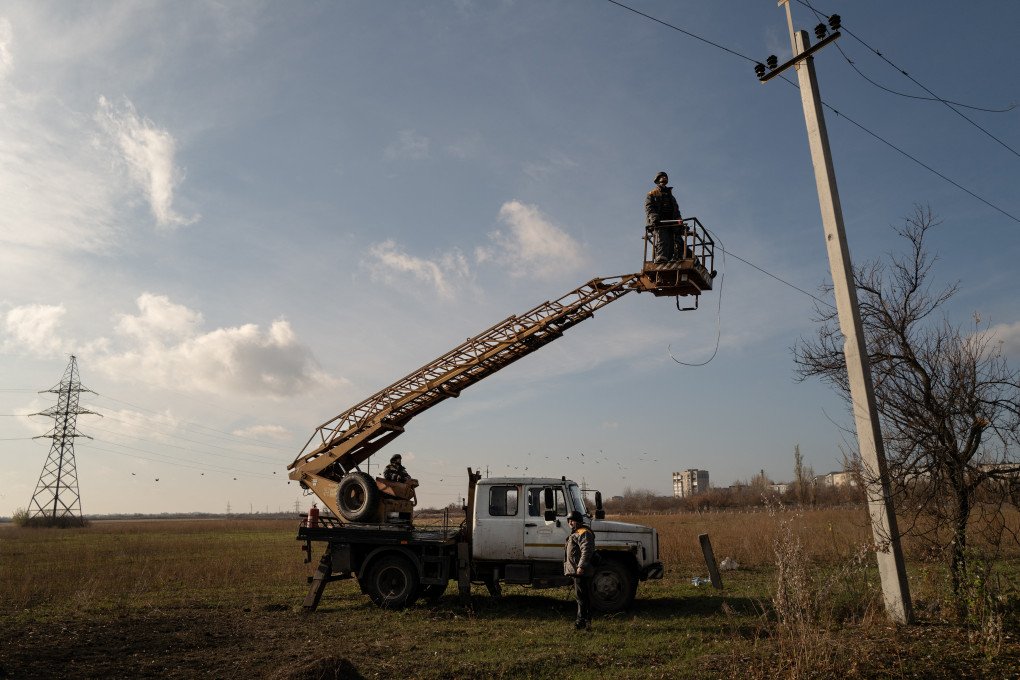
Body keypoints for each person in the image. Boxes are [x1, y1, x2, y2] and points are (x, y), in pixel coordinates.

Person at [564, 509, 596, 630]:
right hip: (577, 571)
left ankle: (581, 621)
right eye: (569, 521)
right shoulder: (576, 532)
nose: (570, 523)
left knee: (582, 597)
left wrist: (581, 566)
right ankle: (586, 621)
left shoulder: (583, 532)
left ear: (578, 521)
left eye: (572, 521)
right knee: (582, 596)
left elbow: (586, 550)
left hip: (581, 571)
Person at [644, 171, 682, 264]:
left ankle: (691, 260)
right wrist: (654, 217)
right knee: (663, 239)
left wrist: (680, 222)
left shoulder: (671, 197)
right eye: (662, 176)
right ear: (657, 180)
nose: (664, 178)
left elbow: (676, 211)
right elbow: (649, 207)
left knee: (678, 241)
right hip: (659, 222)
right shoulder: (652, 193)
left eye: (665, 176)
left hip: (671, 222)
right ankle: (661, 258)